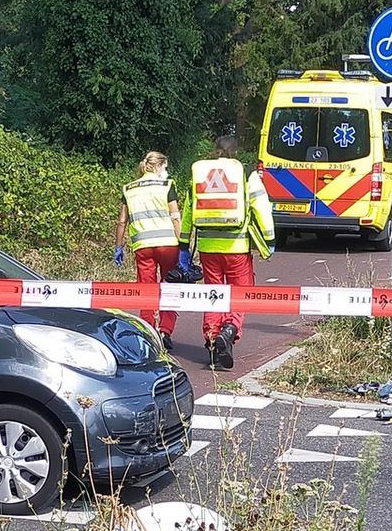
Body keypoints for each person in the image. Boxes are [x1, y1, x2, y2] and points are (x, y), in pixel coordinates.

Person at [180, 135, 275, 370]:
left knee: (213, 294)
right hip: (236, 247)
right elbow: (260, 206)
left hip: (208, 248)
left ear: (215, 151)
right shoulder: (245, 172)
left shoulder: (200, 173)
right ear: (235, 152)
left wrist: (183, 243)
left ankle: (212, 340)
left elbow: (189, 209)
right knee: (240, 293)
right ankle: (230, 329)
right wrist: (269, 238)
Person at [114, 151, 182, 349]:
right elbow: (175, 217)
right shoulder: (167, 185)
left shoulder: (129, 188)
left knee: (147, 291)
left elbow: (122, 221)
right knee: (170, 287)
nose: (166, 171)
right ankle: (165, 331)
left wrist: (118, 246)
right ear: (158, 166)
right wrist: (183, 246)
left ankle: (148, 332)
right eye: (165, 167)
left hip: (143, 247)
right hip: (168, 244)